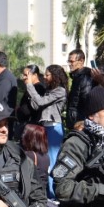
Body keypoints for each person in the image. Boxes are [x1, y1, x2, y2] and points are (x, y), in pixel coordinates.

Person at [26, 64, 68, 198]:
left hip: (54, 128)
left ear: (55, 76)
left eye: (47, 75)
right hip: (46, 127)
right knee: (46, 161)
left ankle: (53, 195)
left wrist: (29, 86)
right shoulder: (50, 90)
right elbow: (36, 104)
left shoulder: (60, 91)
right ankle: (49, 194)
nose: (45, 77)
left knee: (52, 162)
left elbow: (40, 102)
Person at [65, 49, 93, 130]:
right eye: (69, 61)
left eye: (72, 61)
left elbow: (86, 101)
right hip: (75, 121)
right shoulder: (77, 77)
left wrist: (82, 122)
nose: (70, 64)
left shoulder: (85, 77)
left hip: (80, 123)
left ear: (81, 61)